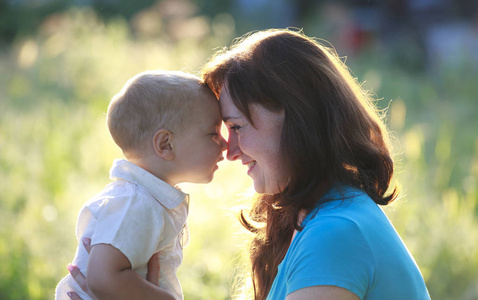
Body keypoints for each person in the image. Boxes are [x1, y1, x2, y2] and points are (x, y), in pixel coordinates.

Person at [67, 29, 431, 300]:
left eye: (237, 127)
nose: (230, 150)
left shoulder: (336, 234)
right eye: (223, 131)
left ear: (297, 119)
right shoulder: (319, 216)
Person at [56, 70, 227, 300]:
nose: (225, 144)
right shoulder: (135, 202)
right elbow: (102, 278)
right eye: (213, 134)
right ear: (165, 144)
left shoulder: (146, 199)